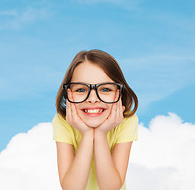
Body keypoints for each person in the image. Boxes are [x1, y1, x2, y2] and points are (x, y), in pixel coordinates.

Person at [52, 49, 138, 190]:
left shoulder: (127, 120)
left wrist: (100, 134)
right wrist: (86, 135)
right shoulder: (62, 121)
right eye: (81, 90)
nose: (93, 99)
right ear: (69, 93)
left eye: (105, 89)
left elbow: (110, 187)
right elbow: (71, 188)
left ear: (119, 93)